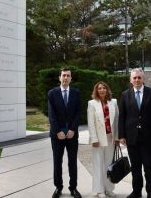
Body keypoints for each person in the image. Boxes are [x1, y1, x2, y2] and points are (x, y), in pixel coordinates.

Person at [118, 68, 151, 198]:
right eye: (134, 78)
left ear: (143, 79)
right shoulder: (125, 95)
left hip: (149, 138)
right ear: (131, 80)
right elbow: (122, 117)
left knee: (149, 166)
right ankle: (136, 192)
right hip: (132, 138)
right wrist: (122, 135)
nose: (137, 80)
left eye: (139, 77)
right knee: (135, 167)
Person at [48, 68, 82, 198]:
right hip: (57, 136)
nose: (66, 78)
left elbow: (78, 113)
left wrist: (73, 129)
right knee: (57, 162)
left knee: (72, 162)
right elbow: (51, 115)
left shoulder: (76, 93)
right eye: (64, 75)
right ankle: (58, 187)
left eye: (68, 76)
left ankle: (73, 188)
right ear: (59, 77)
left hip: (72, 135)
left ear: (71, 79)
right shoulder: (52, 93)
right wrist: (58, 131)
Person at [87, 81, 119, 198]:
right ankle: (99, 190)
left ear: (107, 89)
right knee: (98, 164)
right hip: (98, 139)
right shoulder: (92, 103)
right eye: (99, 88)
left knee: (109, 164)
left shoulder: (113, 102)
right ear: (96, 90)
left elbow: (116, 121)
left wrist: (117, 137)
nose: (102, 90)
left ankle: (109, 189)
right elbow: (91, 123)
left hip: (110, 138)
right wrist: (94, 139)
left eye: (104, 88)